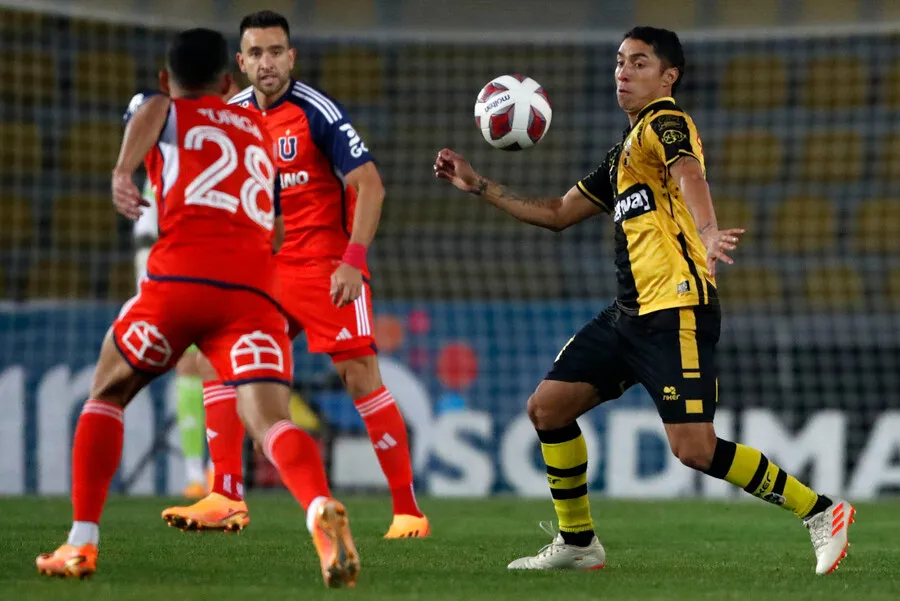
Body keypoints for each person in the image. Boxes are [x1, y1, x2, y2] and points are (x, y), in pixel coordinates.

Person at [433, 26, 854, 576]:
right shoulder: (623, 156)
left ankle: (822, 511)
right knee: (547, 408)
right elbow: (559, 214)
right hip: (628, 315)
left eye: (638, 63)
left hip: (676, 310)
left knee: (695, 450)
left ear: (668, 76)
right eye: (619, 63)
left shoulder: (666, 122)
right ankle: (579, 543)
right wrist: (480, 185)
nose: (623, 73)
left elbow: (690, 172)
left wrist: (707, 231)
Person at [36, 28, 359, 588]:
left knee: (107, 390)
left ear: (168, 78)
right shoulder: (263, 130)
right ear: (229, 80)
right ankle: (317, 508)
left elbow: (151, 108)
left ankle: (80, 543)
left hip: (180, 279)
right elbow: (276, 219)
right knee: (271, 421)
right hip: (255, 293)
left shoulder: (162, 106)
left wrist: (121, 173)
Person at [162, 10, 429, 539]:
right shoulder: (229, 114)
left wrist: (353, 261)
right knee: (220, 361)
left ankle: (407, 510)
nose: (267, 62)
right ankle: (226, 496)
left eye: (276, 51)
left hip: (327, 267)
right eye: (256, 53)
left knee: (359, 376)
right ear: (240, 63)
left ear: (292, 57)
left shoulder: (316, 112)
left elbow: (370, 186)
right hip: (265, 272)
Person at [132, 77, 244, 499]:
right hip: (177, 278)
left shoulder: (188, 158)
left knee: (218, 368)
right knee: (192, 367)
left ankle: (217, 470)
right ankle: (201, 472)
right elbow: (145, 239)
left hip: (208, 274)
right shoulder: (156, 174)